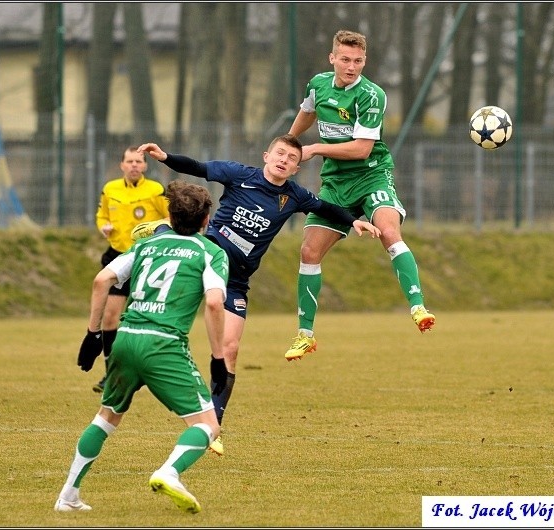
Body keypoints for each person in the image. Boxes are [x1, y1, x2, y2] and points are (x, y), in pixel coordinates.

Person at [136, 134, 380, 457]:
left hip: (236, 280)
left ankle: (212, 427)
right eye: (279, 154)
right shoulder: (239, 175)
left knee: (231, 349)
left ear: (295, 168)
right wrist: (165, 157)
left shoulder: (294, 196)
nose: (284, 160)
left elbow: (324, 207)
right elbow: (197, 167)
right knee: (165, 321)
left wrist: (354, 221)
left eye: (291, 159)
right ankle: (164, 230)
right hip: (206, 259)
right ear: (267, 155)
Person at [54, 180, 228, 514]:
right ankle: (169, 472)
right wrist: (218, 358)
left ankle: (68, 496)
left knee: (107, 417)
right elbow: (215, 304)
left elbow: (101, 279)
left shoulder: (149, 244)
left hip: (125, 338)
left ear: (170, 215)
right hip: (163, 345)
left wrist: (92, 335)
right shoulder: (210, 252)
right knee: (208, 425)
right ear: (206, 220)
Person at [283, 29, 435, 362]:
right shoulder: (318, 84)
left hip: (370, 174)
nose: (352, 67)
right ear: (332, 58)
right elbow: (309, 111)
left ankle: (418, 307)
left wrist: (312, 149)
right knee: (308, 251)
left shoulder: (372, 94)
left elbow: (362, 149)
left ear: (365, 61)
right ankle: (305, 336)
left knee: (390, 232)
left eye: (359, 60)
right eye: (346, 59)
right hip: (335, 183)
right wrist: (289, 142)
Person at [92, 146, 170, 393]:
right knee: (110, 317)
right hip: (117, 257)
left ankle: (150, 370)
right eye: (130, 161)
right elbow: (102, 215)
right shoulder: (110, 189)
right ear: (122, 165)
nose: (134, 165)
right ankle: (111, 373)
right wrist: (103, 226)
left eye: (139, 161)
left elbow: (171, 218)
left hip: (148, 259)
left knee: (146, 316)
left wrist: (156, 234)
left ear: (145, 166)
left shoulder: (156, 190)